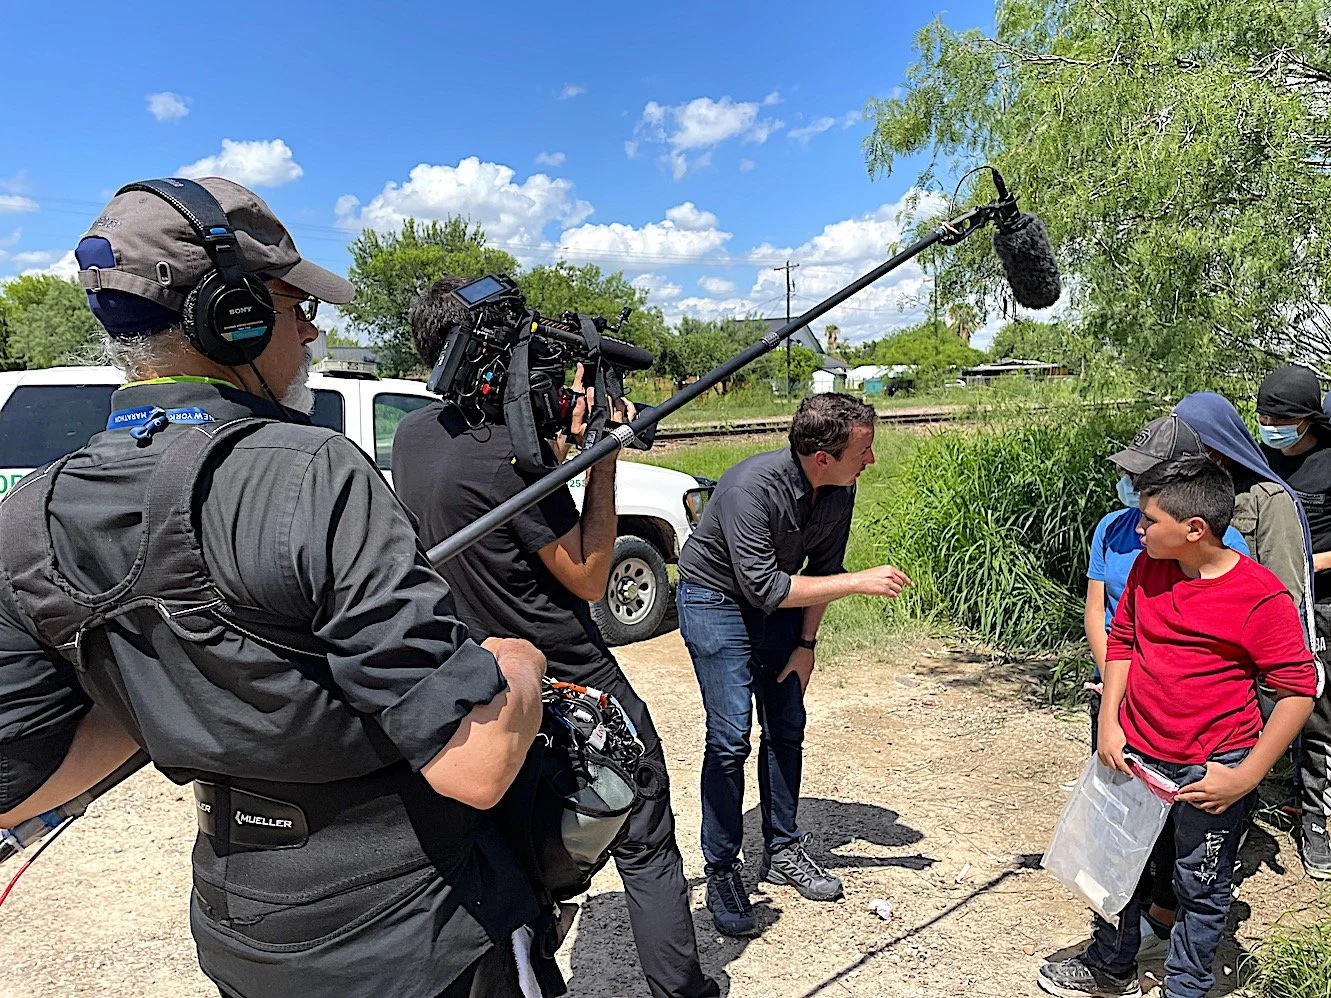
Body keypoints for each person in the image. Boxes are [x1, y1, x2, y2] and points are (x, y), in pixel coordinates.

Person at [0, 178, 551, 998]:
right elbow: (474, 767)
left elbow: (21, 790)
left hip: (240, 938)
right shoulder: (316, 471)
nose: (311, 330)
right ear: (233, 315)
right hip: (415, 935)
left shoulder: (28, 515)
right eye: (296, 307)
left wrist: (179, 689)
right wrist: (515, 663)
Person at [390, 276, 720, 998]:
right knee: (646, 845)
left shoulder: (413, 436)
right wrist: (601, 459)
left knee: (518, 848)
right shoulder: (507, 459)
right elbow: (589, 576)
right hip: (575, 682)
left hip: (488, 687)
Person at [1038, 455, 1317, 998]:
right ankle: (1109, 967)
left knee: (1201, 884)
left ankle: (1185, 985)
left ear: (1194, 530)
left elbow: (1297, 692)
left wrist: (1245, 777)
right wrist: (1111, 722)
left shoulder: (1259, 597)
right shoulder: (1150, 567)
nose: (1138, 529)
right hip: (1136, 752)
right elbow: (1122, 640)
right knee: (1116, 866)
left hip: (1212, 767)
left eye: (1149, 520)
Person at [674, 393, 912, 937]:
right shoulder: (750, 490)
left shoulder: (840, 488)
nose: (870, 461)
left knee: (786, 723)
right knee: (731, 735)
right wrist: (858, 583)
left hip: (781, 608)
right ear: (822, 456)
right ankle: (721, 869)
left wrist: (806, 647)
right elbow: (768, 586)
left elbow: (822, 569)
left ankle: (782, 848)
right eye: (864, 449)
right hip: (716, 600)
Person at [1085, 416, 1250, 961]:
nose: (1132, 491)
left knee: (1181, 841)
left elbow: (1239, 646)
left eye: (1144, 478)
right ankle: (1115, 954)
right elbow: (1107, 620)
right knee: (1119, 833)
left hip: (1188, 722)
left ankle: (1166, 924)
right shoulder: (1114, 528)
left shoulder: (1229, 551)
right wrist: (1114, 692)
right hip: (1120, 701)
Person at [1255, 364, 1331, 879]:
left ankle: (1318, 818)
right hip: (1263, 602)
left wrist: (1305, 568)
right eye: (1263, 415)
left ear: (1306, 420)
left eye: (1280, 418)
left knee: (1320, 712)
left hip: (1321, 602)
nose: (1270, 425)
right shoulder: (1258, 460)